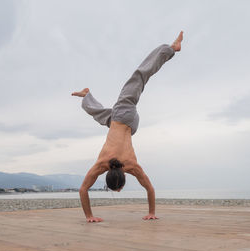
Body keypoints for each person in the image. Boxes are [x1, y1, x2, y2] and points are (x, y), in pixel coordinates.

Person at [71, 31, 183, 223]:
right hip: (124, 115)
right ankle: (171, 49)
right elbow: (83, 190)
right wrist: (88, 216)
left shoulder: (132, 166)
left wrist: (151, 212)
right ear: (107, 174)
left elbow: (149, 188)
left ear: (123, 177)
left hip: (129, 124)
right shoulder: (101, 165)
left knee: (101, 115)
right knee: (139, 76)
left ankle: (86, 95)